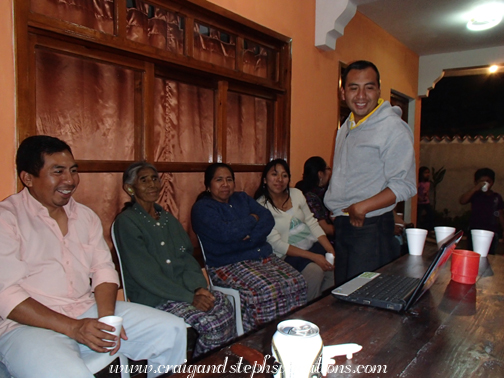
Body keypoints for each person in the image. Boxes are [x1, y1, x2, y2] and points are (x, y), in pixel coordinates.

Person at [0, 136, 186, 378]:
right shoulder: (7, 219)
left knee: (171, 330)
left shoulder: (85, 216)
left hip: (86, 310)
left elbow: (103, 270)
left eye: (73, 170)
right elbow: (6, 295)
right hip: (27, 327)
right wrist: (74, 328)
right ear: (27, 178)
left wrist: (108, 317)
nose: (70, 180)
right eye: (58, 171)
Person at [113, 162, 237, 357]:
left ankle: (217, 368)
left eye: (155, 179)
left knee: (225, 306)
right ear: (129, 188)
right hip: (155, 297)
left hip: (186, 290)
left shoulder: (166, 218)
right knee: (212, 325)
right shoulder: (127, 222)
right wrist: (191, 298)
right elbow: (147, 275)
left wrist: (198, 288)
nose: (152, 184)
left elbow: (186, 257)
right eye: (143, 180)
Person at [324, 60, 417, 286]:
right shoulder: (348, 125)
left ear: (379, 90)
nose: (361, 95)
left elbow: (405, 184)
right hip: (345, 226)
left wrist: (361, 207)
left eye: (369, 87)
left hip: (369, 225)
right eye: (354, 87)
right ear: (343, 91)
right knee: (345, 294)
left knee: (363, 299)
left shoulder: (392, 127)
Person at [191, 163, 307, 332]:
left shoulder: (242, 198)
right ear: (208, 185)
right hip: (228, 264)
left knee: (297, 281)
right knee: (267, 290)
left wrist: (248, 237)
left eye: (229, 179)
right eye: (219, 180)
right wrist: (252, 219)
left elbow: (267, 218)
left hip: (261, 257)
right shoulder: (202, 208)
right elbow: (225, 233)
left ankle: (294, 334)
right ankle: (261, 340)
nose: (225, 184)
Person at [256, 159, 335, 301]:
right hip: (285, 255)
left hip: (312, 245)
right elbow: (277, 244)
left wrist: (329, 248)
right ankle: (309, 313)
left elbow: (312, 223)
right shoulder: (261, 206)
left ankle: (325, 310)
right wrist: (314, 257)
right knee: (315, 272)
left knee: (333, 268)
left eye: (284, 175)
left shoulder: (296, 194)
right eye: (274, 174)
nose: (279, 179)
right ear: (265, 180)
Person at [459, 168, 504, 255]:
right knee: (472, 254)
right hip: (475, 230)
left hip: (491, 232)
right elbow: (462, 201)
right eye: (481, 182)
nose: (485, 184)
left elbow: (500, 214)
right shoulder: (475, 195)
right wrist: (475, 188)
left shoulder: (496, 197)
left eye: (488, 181)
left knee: (489, 255)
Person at [295, 156, 334, 239]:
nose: (331, 172)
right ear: (320, 174)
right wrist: (346, 230)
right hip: (319, 241)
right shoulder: (309, 197)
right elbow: (324, 228)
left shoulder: (326, 190)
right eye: (328, 168)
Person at [417, 166, 434, 231]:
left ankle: (429, 228)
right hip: (420, 202)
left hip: (426, 201)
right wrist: (419, 198)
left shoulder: (428, 183)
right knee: (418, 215)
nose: (427, 174)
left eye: (428, 173)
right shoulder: (419, 183)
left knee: (431, 214)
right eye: (425, 173)